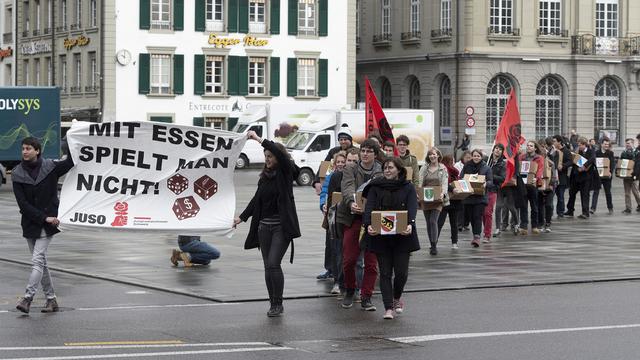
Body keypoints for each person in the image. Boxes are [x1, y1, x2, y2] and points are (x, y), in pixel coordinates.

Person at [234, 130, 301, 317]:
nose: (267, 159)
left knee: (273, 263)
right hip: (264, 227)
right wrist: (241, 218)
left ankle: (279, 304)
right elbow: (256, 201)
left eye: (270, 156)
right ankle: (272, 303)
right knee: (267, 266)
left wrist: (258, 140)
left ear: (278, 157)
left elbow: (280, 154)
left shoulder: (286, 173)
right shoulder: (264, 178)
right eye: (265, 157)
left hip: (281, 227)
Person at [12, 137, 75, 314]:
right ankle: (51, 299)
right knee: (41, 264)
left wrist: (68, 140)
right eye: (23, 148)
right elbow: (23, 204)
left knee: (37, 260)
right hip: (30, 223)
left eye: (28, 148)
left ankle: (27, 298)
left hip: (49, 224)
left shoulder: (50, 167)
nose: (25, 151)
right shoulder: (17, 173)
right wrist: (43, 218)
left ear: (37, 151)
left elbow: (71, 161)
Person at [362, 158, 420, 320]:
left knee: (401, 273)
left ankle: (396, 298)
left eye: (390, 168)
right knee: (385, 273)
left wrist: (410, 224)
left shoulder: (407, 187)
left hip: (402, 236)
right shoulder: (375, 186)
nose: (387, 170)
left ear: (399, 170)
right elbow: (369, 208)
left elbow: (412, 207)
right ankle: (388, 308)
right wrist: (368, 226)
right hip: (381, 236)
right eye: (385, 168)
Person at [338, 139, 383, 311]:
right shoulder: (351, 168)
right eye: (363, 150)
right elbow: (347, 188)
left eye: (369, 151)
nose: (364, 154)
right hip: (353, 218)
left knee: (371, 263)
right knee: (349, 260)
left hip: (372, 219)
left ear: (375, 154)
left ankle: (367, 296)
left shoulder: (381, 170)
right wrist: (351, 203)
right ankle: (350, 289)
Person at [324, 148, 361, 297]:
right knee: (339, 252)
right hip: (339, 218)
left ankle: (355, 286)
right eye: (349, 161)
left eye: (354, 161)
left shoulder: (361, 176)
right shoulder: (336, 176)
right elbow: (332, 198)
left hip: (356, 218)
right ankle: (338, 282)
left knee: (357, 257)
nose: (351, 164)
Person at [319, 151, 347, 294]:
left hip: (346, 217)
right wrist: (323, 204)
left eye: (344, 162)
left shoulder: (350, 176)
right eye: (339, 162)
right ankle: (335, 276)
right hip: (332, 217)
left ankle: (343, 279)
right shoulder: (331, 177)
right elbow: (324, 193)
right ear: (334, 164)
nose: (341, 164)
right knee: (334, 248)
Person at [419, 147, 449, 255]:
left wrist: (443, 193)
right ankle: (431, 243)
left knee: (433, 221)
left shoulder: (443, 168)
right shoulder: (424, 168)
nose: (432, 156)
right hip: (426, 197)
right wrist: (418, 193)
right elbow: (420, 181)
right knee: (428, 222)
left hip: (438, 198)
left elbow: (445, 182)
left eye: (434, 154)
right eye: (430, 154)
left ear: (438, 156)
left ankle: (434, 245)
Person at [460, 149, 493, 247]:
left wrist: (486, 183)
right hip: (469, 196)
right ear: (472, 156)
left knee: (477, 216)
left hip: (480, 197)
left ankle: (477, 237)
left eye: (478, 156)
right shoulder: (466, 166)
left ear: (481, 157)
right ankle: (475, 235)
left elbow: (491, 181)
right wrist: (463, 180)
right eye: (474, 156)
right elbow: (461, 177)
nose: (476, 157)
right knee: (471, 218)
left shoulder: (486, 168)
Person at [565, 137, 595, 219]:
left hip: (586, 177)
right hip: (576, 177)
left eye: (580, 145)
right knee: (572, 193)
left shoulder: (590, 151)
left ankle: (585, 213)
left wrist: (584, 166)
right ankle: (570, 210)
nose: (579, 146)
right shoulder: (578, 151)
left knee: (584, 195)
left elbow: (592, 159)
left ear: (584, 144)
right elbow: (573, 160)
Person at [518, 141, 544, 235]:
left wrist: (536, 178)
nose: (528, 147)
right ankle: (523, 226)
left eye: (531, 146)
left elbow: (540, 169)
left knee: (534, 206)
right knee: (523, 206)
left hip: (533, 185)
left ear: (535, 148)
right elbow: (518, 168)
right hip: (523, 185)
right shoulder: (522, 157)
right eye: (528, 145)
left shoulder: (539, 158)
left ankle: (534, 226)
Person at [437, 155, 461, 249]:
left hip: (455, 200)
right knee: (440, 222)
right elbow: (444, 183)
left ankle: (454, 242)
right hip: (445, 199)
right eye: (452, 160)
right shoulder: (443, 170)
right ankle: (435, 242)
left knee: (453, 223)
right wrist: (452, 188)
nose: (453, 162)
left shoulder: (454, 171)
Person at [484, 144, 506, 242]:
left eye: (500, 149)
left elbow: (502, 178)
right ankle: (486, 230)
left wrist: (491, 176)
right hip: (482, 189)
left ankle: (487, 234)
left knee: (488, 212)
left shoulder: (502, 164)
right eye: (496, 148)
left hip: (492, 190)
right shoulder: (486, 161)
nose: (498, 151)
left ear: (502, 152)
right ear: (493, 150)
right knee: (482, 214)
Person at [537, 139, 557, 232]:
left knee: (549, 205)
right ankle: (540, 223)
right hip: (538, 186)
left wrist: (551, 184)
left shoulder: (550, 162)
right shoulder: (536, 162)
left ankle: (548, 223)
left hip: (549, 186)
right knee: (540, 205)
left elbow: (554, 174)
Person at [592, 138, 615, 215]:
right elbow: (594, 163)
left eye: (607, 144)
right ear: (601, 144)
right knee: (596, 192)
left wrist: (610, 172)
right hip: (598, 176)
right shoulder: (596, 153)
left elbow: (612, 164)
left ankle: (610, 208)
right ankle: (593, 208)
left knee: (608, 192)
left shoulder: (610, 153)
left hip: (607, 177)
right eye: (605, 144)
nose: (606, 146)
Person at [552, 135, 572, 218]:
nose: (553, 143)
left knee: (560, 196)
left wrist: (563, 166)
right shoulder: (553, 151)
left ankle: (560, 212)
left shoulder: (566, 151)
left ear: (559, 142)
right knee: (551, 195)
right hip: (553, 177)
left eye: (554, 141)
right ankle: (551, 212)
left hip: (562, 176)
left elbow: (570, 162)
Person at [620, 138, 640, 214]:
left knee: (636, 192)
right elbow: (621, 163)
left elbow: (638, 165)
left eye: (629, 143)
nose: (627, 145)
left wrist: (635, 174)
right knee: (627, 193)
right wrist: (618, 172)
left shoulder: (637, 152)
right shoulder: (623, 153)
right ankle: (628, 208)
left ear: (633, 143)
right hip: (626, 176)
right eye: (626, 143)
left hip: (635, 176)